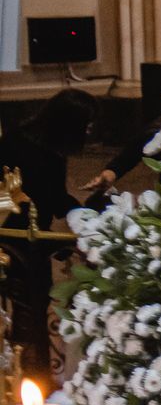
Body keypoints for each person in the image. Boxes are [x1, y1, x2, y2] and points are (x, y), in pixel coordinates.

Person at [0, 89, 93, 388]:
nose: (89, 131)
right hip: (23, 240)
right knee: (31, 304)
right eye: (86, 125)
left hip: (15, 232)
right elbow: (52, 199)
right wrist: (84, 213)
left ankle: (23, 365)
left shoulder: (19, 138)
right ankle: (33, 370)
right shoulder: (47, 154)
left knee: (21, 305)